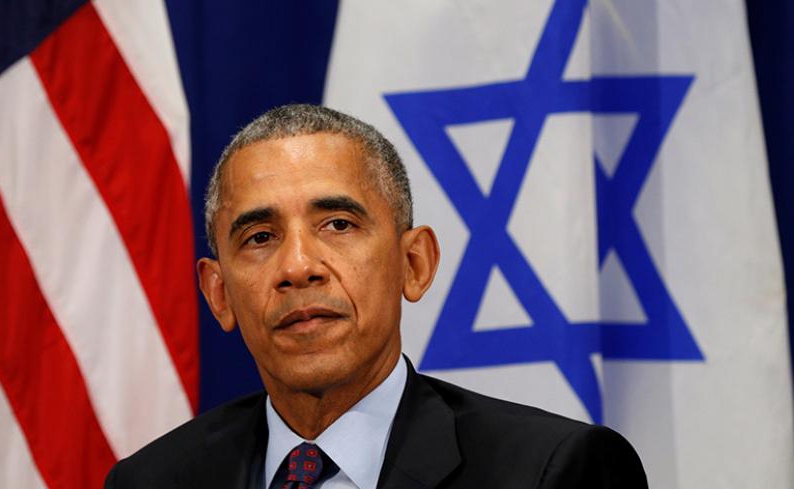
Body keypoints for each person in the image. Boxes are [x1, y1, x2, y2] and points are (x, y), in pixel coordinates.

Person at [104, 104, 648, 489]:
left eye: (338, 224)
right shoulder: (151, 480)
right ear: (218, 293)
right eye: (260, 238)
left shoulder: (552, 472)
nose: (298, 267)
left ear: (414, 264)